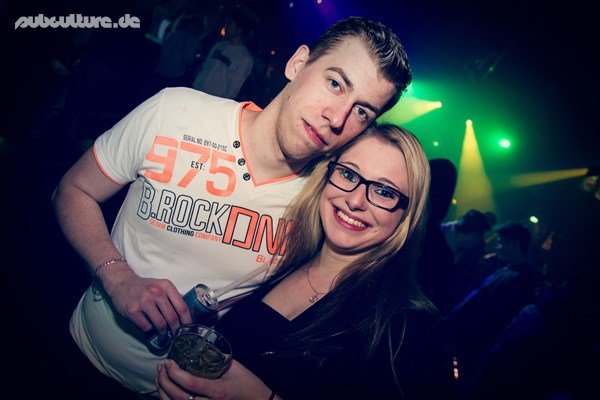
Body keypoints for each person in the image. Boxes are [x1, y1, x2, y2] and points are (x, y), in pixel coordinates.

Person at [51, 16, 412, 397]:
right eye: (335, 83)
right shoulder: (174, 112)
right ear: (298, 63)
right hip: (75, 353)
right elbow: (73, 189)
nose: (337, 118)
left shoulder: (325, 201)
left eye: (362, 111)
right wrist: (116, 275)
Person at [156, 124, 455, 399]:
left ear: (406, 215)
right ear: (327, 175)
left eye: (383, 192)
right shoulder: (284, 261)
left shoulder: (406, 325)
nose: (355, 201)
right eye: (349, 175)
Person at [443, 221, 543, 388]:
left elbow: (494, 315)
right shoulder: (508, 272)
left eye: (501, 243)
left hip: (477, 347)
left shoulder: (520, 280)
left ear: (513, 244)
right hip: (472, 344)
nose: (497, 247)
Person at [191, 16, 254, 100]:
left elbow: (235, 88)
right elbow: (205, 67)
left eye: (230, 24)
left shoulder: (246, 58)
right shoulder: (219, 45)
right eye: (226, 23)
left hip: (214, 100)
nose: (226, 27)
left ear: (239, 30)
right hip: (197, 92)